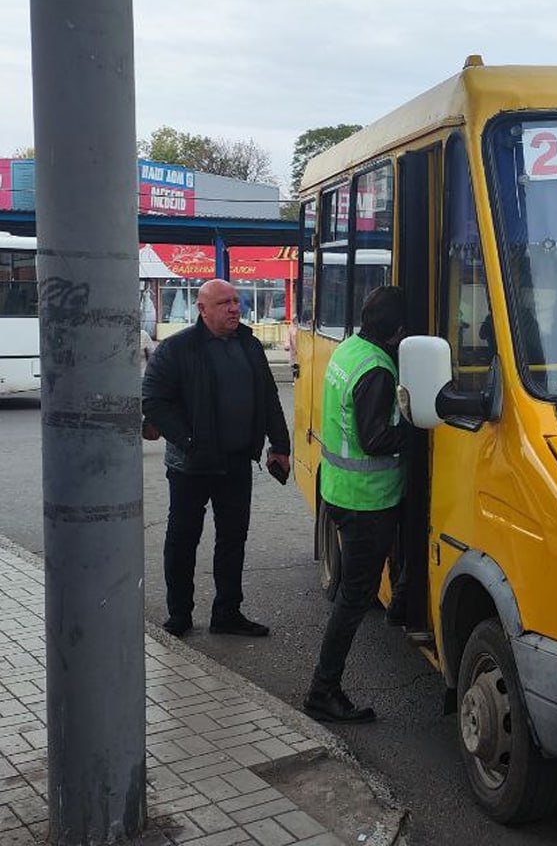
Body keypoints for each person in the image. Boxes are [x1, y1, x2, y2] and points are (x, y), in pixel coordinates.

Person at [142, 278, 291, 638]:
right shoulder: (178, 349)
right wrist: (189, 439)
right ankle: (179, 614)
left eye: (237, 301)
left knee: (232, 539)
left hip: (237, 462)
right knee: (183, 540)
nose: (234, 308)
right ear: (203, 309)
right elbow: (153, 401)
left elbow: (269, 397)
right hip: (191, 465)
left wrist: (281, 445)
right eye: (224, 303)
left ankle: (227, 612)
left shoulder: (250, 345)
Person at [304, 286, 411, 724]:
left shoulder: (350, 349)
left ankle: (404, 603)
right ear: (399, 331)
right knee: (354, 599)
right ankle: (322, 691)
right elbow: (375, 439)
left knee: (355, 590)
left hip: (340, 492)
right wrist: (417, 427)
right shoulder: (379, 370)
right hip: (366, 501)